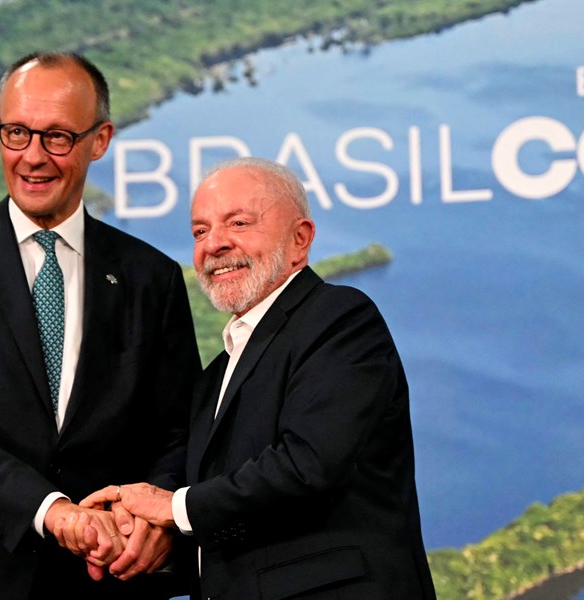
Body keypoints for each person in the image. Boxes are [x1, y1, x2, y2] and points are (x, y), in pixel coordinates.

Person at [0, 51, 200, 599]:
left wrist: (155, 518)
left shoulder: (152, 277)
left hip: (101, 578)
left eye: (57, 137)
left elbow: (178, 430)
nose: (32, 156)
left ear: (99, 140)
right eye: (16, 133)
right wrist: (52, 511)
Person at [84, 157, 436, 599]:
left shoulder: (339, 319)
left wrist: (172, 507)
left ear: (300, 239)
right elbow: (234, 521)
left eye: (238, 223)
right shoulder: (214, 377)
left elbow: (306, 468)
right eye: (199, 231)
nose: (214, 244)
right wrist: (135, 541)